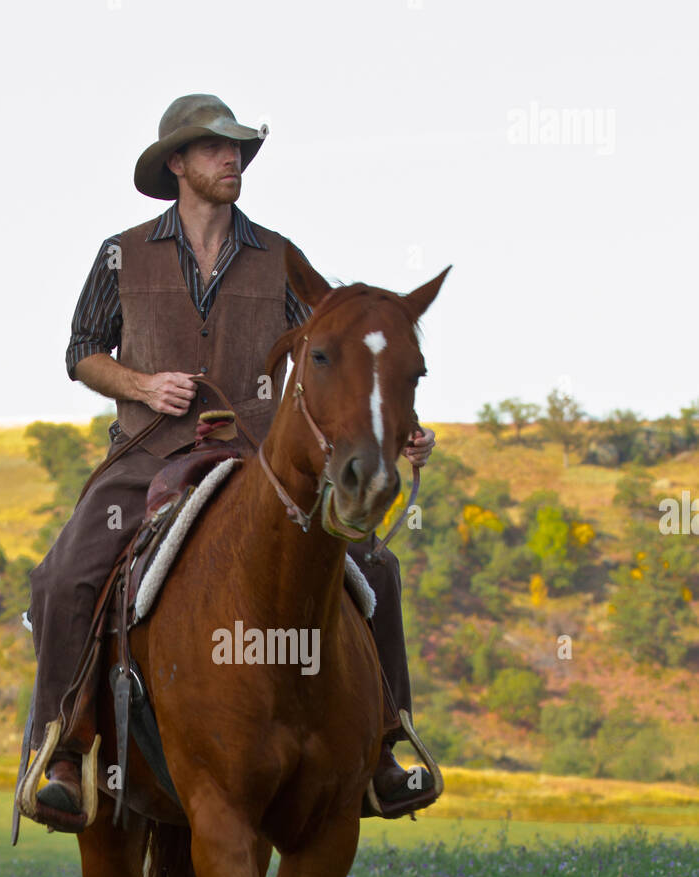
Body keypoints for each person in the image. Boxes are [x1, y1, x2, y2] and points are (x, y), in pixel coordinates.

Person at [26, 94, 440, 831]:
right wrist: (141, 385)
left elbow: (337, 352)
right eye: (216, 148)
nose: (232, 159)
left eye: (240, 150)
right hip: (147, 451)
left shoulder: (280, 258)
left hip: (259, 459)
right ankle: (62, 750)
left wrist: (390, 429)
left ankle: (385, 746)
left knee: (376, 568)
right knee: (64, 576)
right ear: (177, 163)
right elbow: (81, 351)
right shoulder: (122, 251)